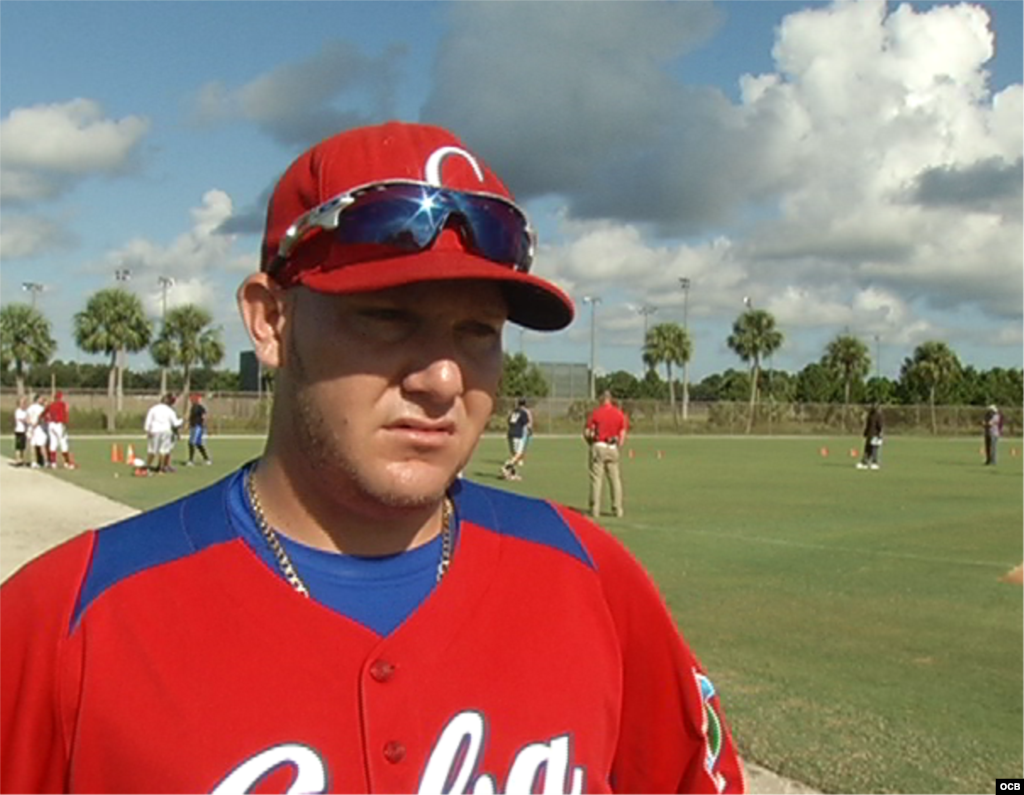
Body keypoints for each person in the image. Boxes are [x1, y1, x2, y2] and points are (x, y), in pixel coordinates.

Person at [0, 121, 745, 794]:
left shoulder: (592, 579)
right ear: (271, 320)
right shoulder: (65, 619)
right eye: (387, 317)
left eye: (478, 331)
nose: (443, 379)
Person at [584, 390, 629, 518]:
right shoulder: (619, 414)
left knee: (596, 479)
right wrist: (618, 446)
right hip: (612, 447)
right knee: (615, 479)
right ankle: (617, 509)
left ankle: (595, 509)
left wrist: (590, 443)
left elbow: (587, 432)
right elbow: (622, 433)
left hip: (599, 445)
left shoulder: (596, 413)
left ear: (601, 399)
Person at [143, 392, 182, 473]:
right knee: (163, 450)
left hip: (155, 430)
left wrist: (147, 430)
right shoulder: (170, 410)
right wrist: (182, 421)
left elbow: (148, 420)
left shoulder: (153, 408)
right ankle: (160, 469)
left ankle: (147, 467)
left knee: (152, 450)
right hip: (166, 431)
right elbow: (175, 423)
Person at [500, 396, 532, 480]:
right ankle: (506, 466)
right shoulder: (523, 412)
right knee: (519, 454)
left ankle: (512, 474)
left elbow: (509, 421)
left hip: (510, 434)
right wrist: (530, 431)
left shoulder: (513, 412)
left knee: (514, 455)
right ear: (525, 404)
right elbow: (527, 424)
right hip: (517, 435)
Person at [43, 391, 76, 469]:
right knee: (63, 443)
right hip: (59, 424)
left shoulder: (51, 405)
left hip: (51, 425)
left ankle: (53, 463)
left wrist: (45, 419)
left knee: (53, 443)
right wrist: (65, 423)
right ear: (60, 397)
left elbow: (43, 413)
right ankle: (67, 463)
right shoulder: (62, 404)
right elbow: (65, 414)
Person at [185, 392, 212, 466]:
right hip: (193, 426)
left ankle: (190, 460)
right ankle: (206, 459)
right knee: (198, 444)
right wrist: (188, 425)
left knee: (192, 442)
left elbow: (204, 416)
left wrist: (203, 426)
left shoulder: (200, 407)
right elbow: (191, 417)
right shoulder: (192, 407)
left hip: (198, 427)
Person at [856, 402, 883, 470]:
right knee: (871, 448)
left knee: (871, 449)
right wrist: (865, 433)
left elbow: (876, 425)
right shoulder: (874, 415)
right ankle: (869, 462)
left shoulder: (873, 415)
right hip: (872, 434)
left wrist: (865, 433)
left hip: (872, 434)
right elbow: (877, 425)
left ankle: (869, 462)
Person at [24, 393, 48, 469]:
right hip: (38, 429)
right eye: (41, 399)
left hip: (34, 428)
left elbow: (27, 419)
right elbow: (41, 419)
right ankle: (43, 462)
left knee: (35, 445)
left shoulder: (30, 408)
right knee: (38, 445)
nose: (42, 400)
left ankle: (35, 462)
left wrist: (31, 424)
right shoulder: (40, 408)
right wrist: (34, 424)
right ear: (37, 399)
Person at [11, 397, 28, 467]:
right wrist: (28, 421)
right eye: (22, 403)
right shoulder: (18, 411)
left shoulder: (25, 411)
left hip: (24, 431)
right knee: (18, 446)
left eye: (24, 403)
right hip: (19, 431)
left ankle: (21, 459)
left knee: (23, 447)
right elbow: (22, 419)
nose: (24, 404)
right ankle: (17, 460)